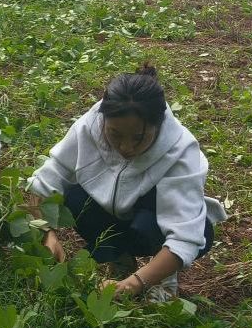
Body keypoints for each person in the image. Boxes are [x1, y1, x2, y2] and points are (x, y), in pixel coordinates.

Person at [25, 64, 225, 302]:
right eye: (115, 134)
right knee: (74, 198)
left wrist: (134, 284)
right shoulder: (89, 127)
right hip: (114, 217)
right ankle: (120, 258)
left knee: (151, 224)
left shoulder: (180, 151)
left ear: (158, 125)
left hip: (150, 226)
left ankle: (163, 281)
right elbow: (43, 183)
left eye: (139, 138)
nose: (126, 147)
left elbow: (185, 237)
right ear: (104, 120)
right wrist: (47, 233)